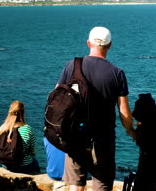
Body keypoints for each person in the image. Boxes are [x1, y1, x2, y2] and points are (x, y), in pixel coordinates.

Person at [56, 26, 136, 191]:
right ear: (110, 45)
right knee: (102, 185)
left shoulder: (71, 66)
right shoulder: (117, 73)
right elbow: (123, 111)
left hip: (74, 137)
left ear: (88, 43)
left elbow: (57, 99)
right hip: (103, 140)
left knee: (75, 186)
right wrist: (131, 131)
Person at [0, 100, 40, 174]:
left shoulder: (2, 128)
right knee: (35, 162)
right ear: (23, 112)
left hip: (6, 165)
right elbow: (34, 152)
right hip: (23, 166)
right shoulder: (27, 129)